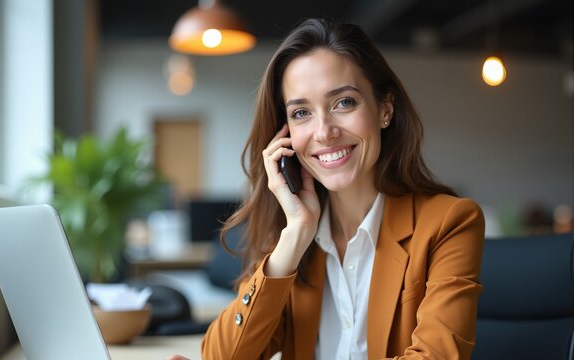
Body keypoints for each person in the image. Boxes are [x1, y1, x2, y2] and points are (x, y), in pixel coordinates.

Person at [170, 18, 484, 360]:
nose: (324, 132)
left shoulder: (449, 223)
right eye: (301, 112)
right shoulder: (290, 237)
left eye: (344, 103)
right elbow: (221, 357)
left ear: (385, 109)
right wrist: (295, 236)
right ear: (285, 134)